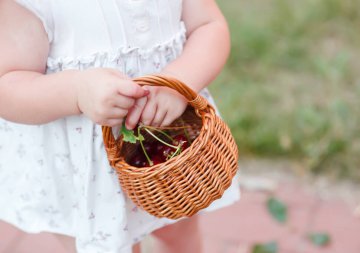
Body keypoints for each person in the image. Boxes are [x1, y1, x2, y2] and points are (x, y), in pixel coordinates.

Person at [0, 0, 240, 252]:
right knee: (109, 245)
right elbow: (8, 84)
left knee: (179, 225)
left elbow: (209, 25)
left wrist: (179, 80)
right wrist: (77, 91)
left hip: (168, 145)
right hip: (85, 172)